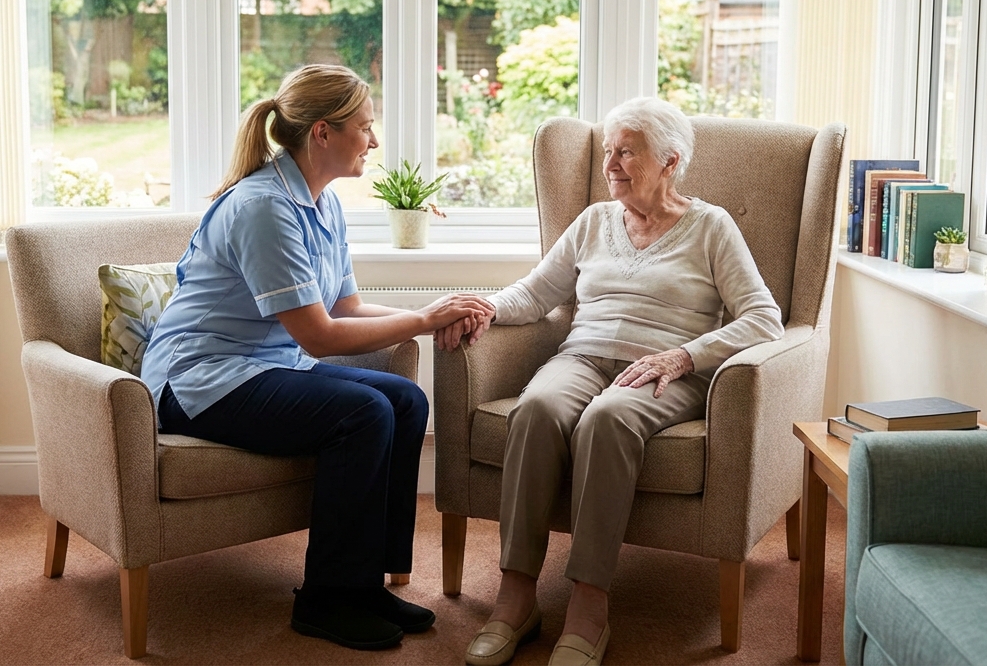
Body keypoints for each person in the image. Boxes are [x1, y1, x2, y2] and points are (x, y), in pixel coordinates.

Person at [141, 64, 494, 651]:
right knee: (362, 413)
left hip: (261, 367)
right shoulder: (263, 207)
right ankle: (326, 599)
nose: (375, 142)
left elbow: (346, 305)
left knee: (405, 400)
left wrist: (437, 316)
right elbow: (321, 337)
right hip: (197, 379)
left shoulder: (320, 201)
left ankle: (366, 584)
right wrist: (426, 321)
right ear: (324, 133)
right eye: (366, 126)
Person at [440, 97, 785, 666]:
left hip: (663, 370)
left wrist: (684, 356)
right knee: (538, 408)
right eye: (608, 152)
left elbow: (762, 317)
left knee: (605, 418)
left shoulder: (711, 226)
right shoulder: (595, 220)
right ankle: (516, 595)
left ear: (671, 161)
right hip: (583, 356)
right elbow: (534, 293)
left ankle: (589, 605)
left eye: (627, 152)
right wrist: (484, 308)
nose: (611, 164)